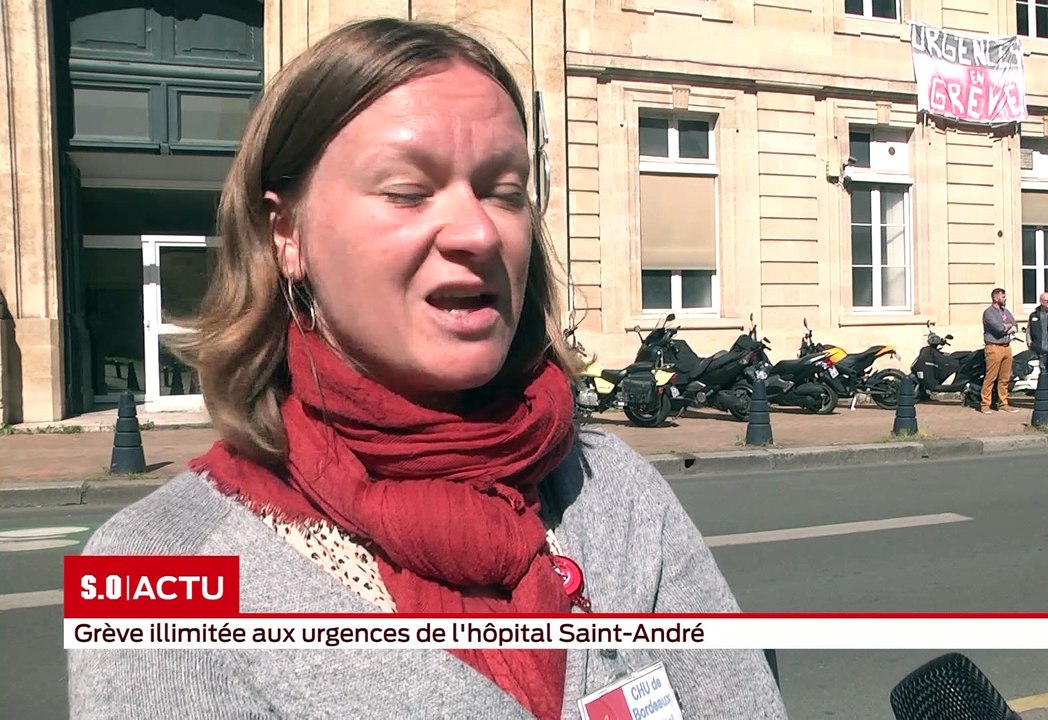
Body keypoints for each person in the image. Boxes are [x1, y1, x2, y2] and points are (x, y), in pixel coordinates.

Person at [68, 18, 787, 720]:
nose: (477, 231)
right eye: (408, 191)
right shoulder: (153, 572)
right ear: (287, 235)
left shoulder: (613, 488)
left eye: (504, 191)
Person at [980, 287, 1019, 414]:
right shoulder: (989, 313)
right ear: (996, 298)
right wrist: (1007, 327)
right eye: (1003, 296)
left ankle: (1003, 403)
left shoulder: (1005, 311)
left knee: (1005, 378)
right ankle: (985, 404)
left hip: (1006, 347)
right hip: (994, 347)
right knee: (991, 377)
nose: (1005, 298)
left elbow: (1015, 325)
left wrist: (1008, 327)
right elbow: (998, 328)